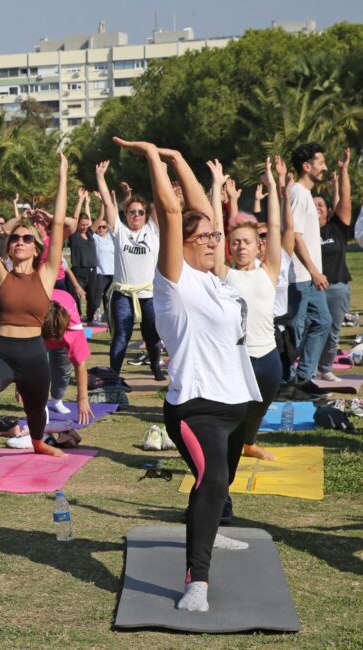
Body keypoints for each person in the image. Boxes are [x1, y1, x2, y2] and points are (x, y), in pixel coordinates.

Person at [115, 137, 260, 613]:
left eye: (218, 238)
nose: (217, 243)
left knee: (219, 483)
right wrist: (156, 160)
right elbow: (175, 215)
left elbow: (200, 211)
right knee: (212, 480)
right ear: (184, 246)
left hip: (236, 404)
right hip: (195, 408)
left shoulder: (215, 281)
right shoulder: (174, 285)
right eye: (209, 238)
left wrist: (181, 159)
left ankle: (209, 534)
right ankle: (197, 579)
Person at [0, 153, 70, 485]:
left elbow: (58, 227)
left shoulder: (45, 275)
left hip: (32, 353)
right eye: (16, 238)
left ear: (36, 247)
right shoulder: (0, 274)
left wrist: (62, 177)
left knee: (36, 407)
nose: (19, 241)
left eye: (27, 238)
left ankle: (39, 442)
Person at [214, 158, 281, 465]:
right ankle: (227, 457)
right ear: (230, 247)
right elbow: (216, 230)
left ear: (258, 246)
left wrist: (272, 186)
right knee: (235, 411)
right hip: (237, 358)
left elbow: (277, 227)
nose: (241, 246)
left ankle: (249, 444)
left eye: (247, 242)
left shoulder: (269, 270)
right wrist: (216, 190)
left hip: (268, 357)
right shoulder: (225, 273)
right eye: (236, 242)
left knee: (259, 408)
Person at [96, 161, 164, 381]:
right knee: (121, 336)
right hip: (123, 294)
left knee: (152, 337)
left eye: (140, 212)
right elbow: (108, 202)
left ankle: (155, 366)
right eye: (132, 212)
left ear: (146, 214)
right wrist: (100, 177)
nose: (136, 215)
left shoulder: (153, 230)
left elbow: (162, 200)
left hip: (148, 294)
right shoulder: (120, 232)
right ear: (125, 214)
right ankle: (114, 375)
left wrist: (159, 170)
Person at [286, 142, 331, 396]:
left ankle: (303, 378)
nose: (324, 167)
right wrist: (313, 270)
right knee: (295, 328)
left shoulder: (304, 195)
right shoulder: (298, 193)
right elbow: (294, 235)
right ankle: (288, 382)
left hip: (309, 278)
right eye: (320, 162)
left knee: (323, 321)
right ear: (307, 166)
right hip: (299, 277)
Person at [316, 149, 352, 383]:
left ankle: (325, 367)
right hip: (314, 288)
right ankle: (306, 369)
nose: (317, 206)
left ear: (328, 211)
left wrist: (343, 170)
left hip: (338, 287)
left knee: (333, 329)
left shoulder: (335, 229)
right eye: (313, 204)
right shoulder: (301, 232)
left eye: (321, 204)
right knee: (312, 330)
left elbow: (345, 202)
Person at [43, 289, 92, 421]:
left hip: (65, 311)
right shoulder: (31, 319)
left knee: (63, 369)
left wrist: (82, 399)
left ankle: (56, 399)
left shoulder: (74, 330)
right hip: (37, 337)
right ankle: (40, 405)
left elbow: (80, 364)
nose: (51, 341)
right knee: (37, 370)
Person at [68, 188, 100, 320]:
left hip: (92, 271)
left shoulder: (90, 233)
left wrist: (102, 201)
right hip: (78, 271)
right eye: (82, 224)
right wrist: (81, 199)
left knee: (92, 299)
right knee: (75, 297)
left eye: (86, 224)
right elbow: (75, 218)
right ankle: (77, 317)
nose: (85, 227)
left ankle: (90, 317)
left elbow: (100, 217)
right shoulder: (73, 235)